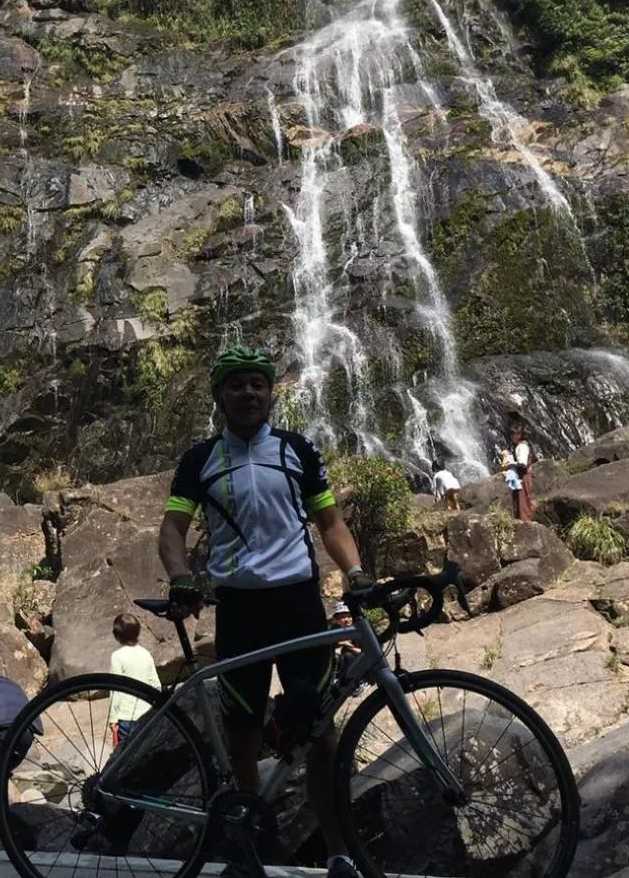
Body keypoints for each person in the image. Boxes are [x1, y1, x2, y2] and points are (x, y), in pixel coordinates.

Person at [159, 345, 368, 878]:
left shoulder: (298, 449)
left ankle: (340, 851)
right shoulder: (199, 460)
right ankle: (250, 847)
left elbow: (331, 524)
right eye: (237, 385)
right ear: (219, 397)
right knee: (243, 738)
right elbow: (172, 532)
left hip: (298, 606)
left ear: (271, 392)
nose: (248, 393)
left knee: (322, 735)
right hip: (239, 610)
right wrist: (181, 576)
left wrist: (356, 573)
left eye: (257, 383)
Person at [108, 613, 161, 745]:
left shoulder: (117, 656)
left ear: (116, 636)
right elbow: (156, 683)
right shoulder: (145, 653)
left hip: (126, 716)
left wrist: (113, 717)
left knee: (127, 754)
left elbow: (116, 691)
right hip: (146, 713)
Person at [507, 422, 535, 522]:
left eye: (513, 434)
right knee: (522, 500)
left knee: (523, 501)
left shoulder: (521, 446)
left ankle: (525, 522)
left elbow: (522, 463)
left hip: (523, 476)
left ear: (519, 435)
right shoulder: (524, 445)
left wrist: (511, 464)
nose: (511, 436)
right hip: (523, 476)